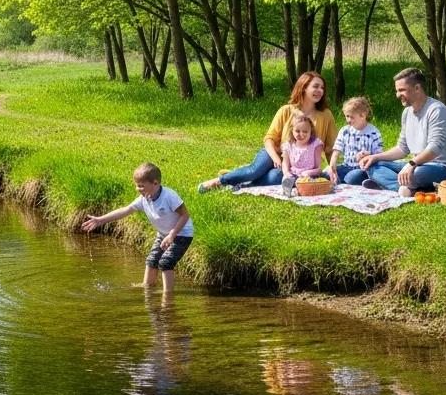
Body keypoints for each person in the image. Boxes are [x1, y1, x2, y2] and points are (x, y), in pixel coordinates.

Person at [196, 71, 338, 193]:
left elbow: (331, 147)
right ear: (303, 88)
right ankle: (220, 181)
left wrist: (331, 167)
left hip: (297, 166)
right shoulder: (286, 110)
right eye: (315, 86)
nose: (320, 90)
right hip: (274, 154)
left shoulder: (325, 115)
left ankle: (243, 181)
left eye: (322, 88)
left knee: (275, 178)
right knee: (254, 171)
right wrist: (276, 158)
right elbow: (269, 139)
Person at [81, 162, 193, 294]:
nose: (138, 189)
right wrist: (101, 220)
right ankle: (147, 287)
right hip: (163, 234)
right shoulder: (144, 198)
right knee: (152, 260)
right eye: (136, 186)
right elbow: (126, 210)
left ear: (155, 183)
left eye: (141, 186)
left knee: (165, 262)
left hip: (181, 234)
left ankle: (167, 295)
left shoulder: (169, 196)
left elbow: (185, 215)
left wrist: (172, 235)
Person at [358, 68, 446, 196]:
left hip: (443, 168)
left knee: (416, 173)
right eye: (397, 91)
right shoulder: (407, 113)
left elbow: (435, 148)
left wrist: (411, 164)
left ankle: (392, 185)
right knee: (373, 165)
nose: (397, 95)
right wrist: (374, 156)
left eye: (401, 90)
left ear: (417, 88)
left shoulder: (436, 110)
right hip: (417, 164)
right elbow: (402, 148)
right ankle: (407, 189)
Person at [327, 96, 383, 186]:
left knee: (354, 177)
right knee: (326, 172)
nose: (348, 120)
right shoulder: (345, 130)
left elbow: (379, 154)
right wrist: (332, 163)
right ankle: (339, 179)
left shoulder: (373, 132)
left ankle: (367, 180)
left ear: (363, 115)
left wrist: (367, 154)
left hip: (363, 168)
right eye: (347, 116)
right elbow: (337, 148)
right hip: (346, 166)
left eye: (351, 117)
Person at [280, 111, 325, 196]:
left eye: (305, 131)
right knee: (287, 179)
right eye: (297, 131)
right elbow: (285, 164)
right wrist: (286, 173)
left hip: (310, 175)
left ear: (310, 132)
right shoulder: (288, 145)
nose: (301, 134)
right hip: (293, 174)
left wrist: (308, 173)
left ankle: (301, 190)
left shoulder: (316, 145)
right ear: (292, 130)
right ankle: (288, 190)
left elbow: (318, 168)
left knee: (310, 183)